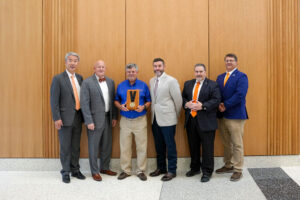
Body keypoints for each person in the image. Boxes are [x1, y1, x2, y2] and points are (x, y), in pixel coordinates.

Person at [50, 52, 85, 183]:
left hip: (78, 117)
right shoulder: (58, 79)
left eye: (75, 61)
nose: (72, 63)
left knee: (76, 146)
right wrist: (56, 118)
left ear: (78, 63)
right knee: (65, 146)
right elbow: (54, 101)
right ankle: (65, 171)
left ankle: (75, 170)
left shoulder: (80, 78)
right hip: (64, 118)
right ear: (65, 62)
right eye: (70, 60)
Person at [182, 63, 221, 182]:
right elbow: (183, 97)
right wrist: (186, 104)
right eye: (196, 72)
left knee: (207, 148)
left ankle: (207, 172)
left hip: (206, 121)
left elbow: (216, 100)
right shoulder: (188, 84)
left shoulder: (213, 84)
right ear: (194, 72)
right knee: (193, 146)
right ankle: (195, 168)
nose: (198, 74)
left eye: (201, 71)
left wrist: (203, 106)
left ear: (205, 72)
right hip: (191, 120)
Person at [80, 60, 118, 181]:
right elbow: (84, 103)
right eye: (99, 67)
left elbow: (113, 101)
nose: (101, 69)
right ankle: (95, 171)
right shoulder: (87, 82)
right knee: (93, 146)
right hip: (94, 120)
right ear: (94, 68)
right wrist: (88, 121)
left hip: (108, 118)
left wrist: (114, 117)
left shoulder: (111, 81)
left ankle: (105, 167)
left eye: (103, 67)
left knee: (107, 144)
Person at [114, 63, 151, 181]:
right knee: (125, 147)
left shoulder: (143, 85)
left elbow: (149, 100)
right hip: (125, 120)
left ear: (137, 72)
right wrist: (121, 107)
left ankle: (141, 170)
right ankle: (126, 171)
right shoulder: (120, 86)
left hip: (140, 120)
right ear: (126, 73)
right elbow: (116, 101)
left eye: (133, 71)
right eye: (129, 72)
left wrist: (144, 107)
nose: (131, 73)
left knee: (142, 147)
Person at [215, 53, 249, 181]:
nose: (228, 62)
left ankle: (238, 169)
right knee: (226, 143)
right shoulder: (220, 77)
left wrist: (226, 104)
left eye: (231, 60)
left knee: (237, 143)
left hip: (235, 115)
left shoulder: (241, 76)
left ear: (236, 62)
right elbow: (216, 93)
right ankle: (228, 165)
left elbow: (240, 94)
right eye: (227, 60)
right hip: (222, 115)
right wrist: (218, 105)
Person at [149, 58, 182, 181]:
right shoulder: (151, 81)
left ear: (164, 66)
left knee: (170, 145)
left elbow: (178, 100)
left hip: (168, 118)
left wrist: (175, 114)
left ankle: (172, 170)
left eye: (159, 66)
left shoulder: (171, 81)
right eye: (155, 66)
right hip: (155, 118)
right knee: (158, 145)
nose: (157, 68)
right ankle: (161, 168)